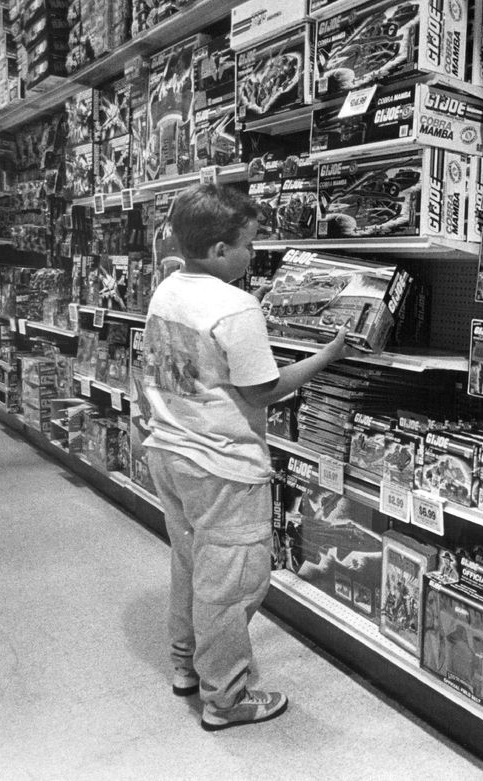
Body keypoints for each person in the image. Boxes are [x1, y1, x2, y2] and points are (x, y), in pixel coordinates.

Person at [141, 184, 350, 731]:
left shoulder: (168, 287)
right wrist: (327, 356)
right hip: (221, 463)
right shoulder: (237, 306)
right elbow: (263, 391)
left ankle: (187, 667)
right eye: (248, 245)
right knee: (233, 583)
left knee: (192, 563)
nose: (254, 256)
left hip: (169, 449)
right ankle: (227, 697)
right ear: (215, 251)